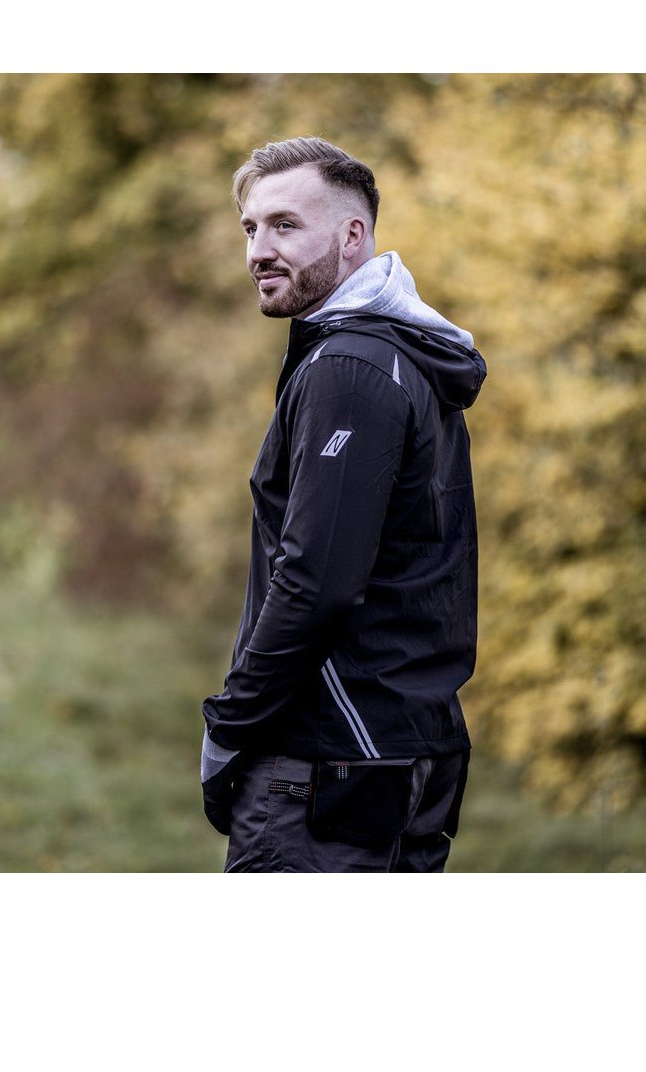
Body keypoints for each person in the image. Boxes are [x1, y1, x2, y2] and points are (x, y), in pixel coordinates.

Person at [200, 136, 487, 872]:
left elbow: (317, 580)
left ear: (352, 236)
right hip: (401, 747)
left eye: (285, 226)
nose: (259, 251)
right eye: (250, 229)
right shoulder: (401, 356)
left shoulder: (351, 369)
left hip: (329, 759)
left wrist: (230, 723)